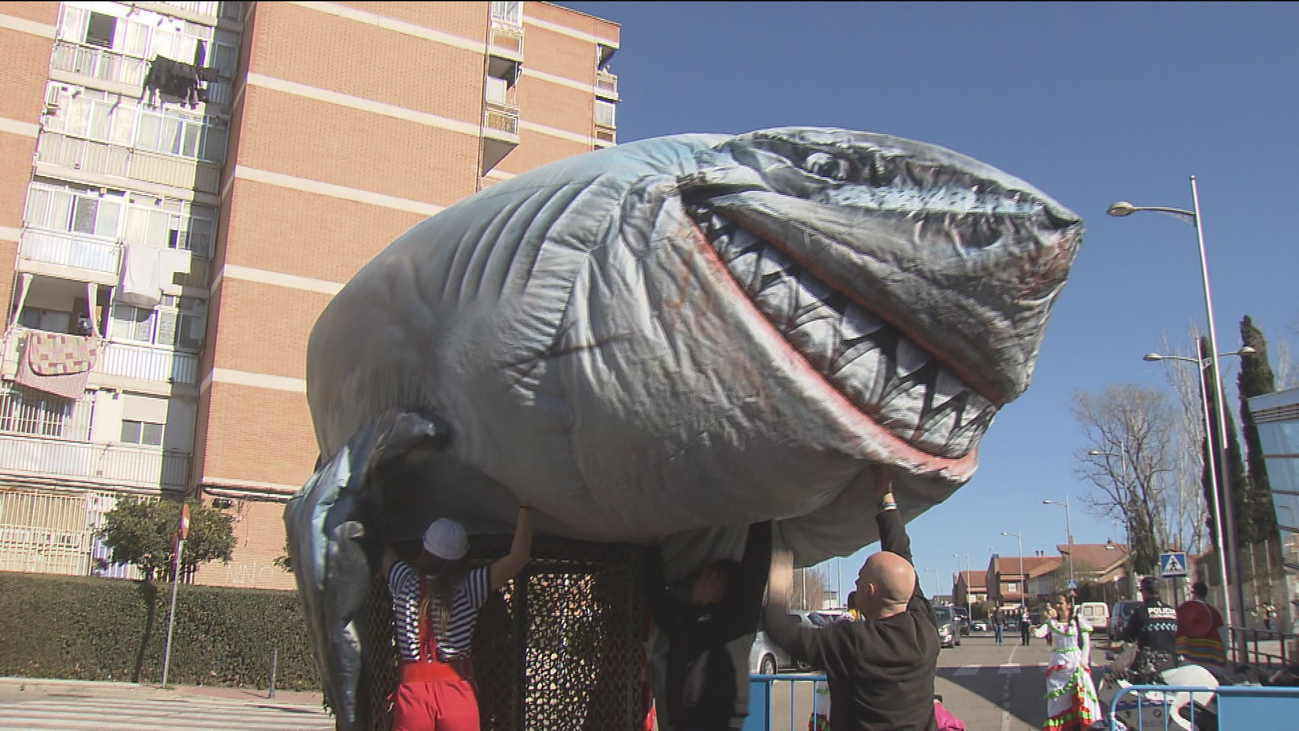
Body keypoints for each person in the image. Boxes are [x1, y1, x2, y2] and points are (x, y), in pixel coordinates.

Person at [763, 464, 939, 731]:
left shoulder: (856, 643)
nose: (854, 584)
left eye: (859, 578)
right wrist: (886, 498)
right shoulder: (925, 628)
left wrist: (778, 579)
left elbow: (781, 631)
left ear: (870, 592)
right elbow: (901, 561)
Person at [381, 504, 533, 731]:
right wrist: (525, 507)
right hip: (456, 690)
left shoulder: (404, 580)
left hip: (413, 692)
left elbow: (379, 547)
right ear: (463, 555)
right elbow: (518, 558)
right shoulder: (471, 586)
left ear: (425, 548)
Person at [643, 521, 772, 731]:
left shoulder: (737, 620)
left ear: (713, 579)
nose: (694, 586)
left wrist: (761, 521)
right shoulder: (683, 619)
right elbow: (655, 594)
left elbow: (756, 569)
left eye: (700, 578)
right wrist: (653, 546)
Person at [1032, 592, 1101, 730]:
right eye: (1056, 603)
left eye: (1061, 603)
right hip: (1058, 666)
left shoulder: (1077, 621)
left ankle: (1087, 726)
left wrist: (1083, 662)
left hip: (1076, 664)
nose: (1058, 606)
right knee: (1057, 701)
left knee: (1083, 696)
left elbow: (1086, 643)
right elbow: (1040, 632)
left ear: (1069, 605)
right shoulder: (1052, 623)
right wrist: (1032, 628)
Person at [1123, 576, 1179, 680]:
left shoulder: (1140, 612)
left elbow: (1128, 636)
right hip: (1172, 663)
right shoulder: (1172, 611)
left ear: (1145, 592)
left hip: (1150, 665)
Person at [1175, 581, 1226, 667]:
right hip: (1212, 663)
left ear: (1193, 593)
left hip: (1189, 663)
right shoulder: (1214, 613)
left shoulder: (1184, 611)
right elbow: (1224, 637)